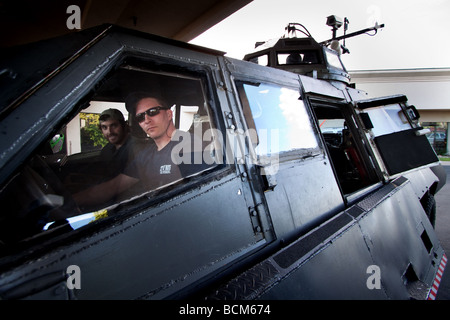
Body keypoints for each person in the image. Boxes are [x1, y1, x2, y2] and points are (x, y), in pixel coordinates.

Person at [73, 93, 205, 209]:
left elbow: (199, 196)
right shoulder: (146, 154)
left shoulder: (188, 146)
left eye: (153, 111)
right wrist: (71, 201)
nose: (146, 120)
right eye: (140, 117)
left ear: (169, 114)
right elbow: (116, 186)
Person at [97, 108, 135, 180]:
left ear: (124, 125)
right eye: (104, 127)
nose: (109, 132)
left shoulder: (136, 148)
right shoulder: (107, 150)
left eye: (114, 126)